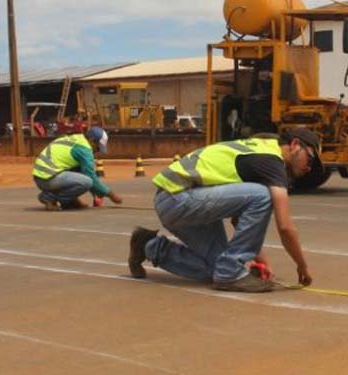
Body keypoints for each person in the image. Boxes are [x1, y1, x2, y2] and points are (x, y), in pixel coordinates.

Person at [127, 129, 319, 293]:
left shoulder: (260, 149)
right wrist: (302, 266)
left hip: (180, 200)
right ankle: (231, 273)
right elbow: (285, 226)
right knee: (263, 195)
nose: (309, 168)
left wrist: (262, 263)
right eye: (309, 158)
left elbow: (241, 221)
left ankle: (148, 246)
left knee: (217, 269)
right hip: (179, 197)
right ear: (294, 145)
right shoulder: (272, 160)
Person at [32, 126, 121, 210]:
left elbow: (84, 171)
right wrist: (110, 194)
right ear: (92, 140)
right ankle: (49, 197)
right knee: (87, 182)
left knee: (80, 170)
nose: (96, 151)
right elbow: (91, 177)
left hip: (41, 177)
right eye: (97, 148)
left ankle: (69, 201)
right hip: (49, 177)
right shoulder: (84, 149)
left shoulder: (77, 139)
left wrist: (95, 196)